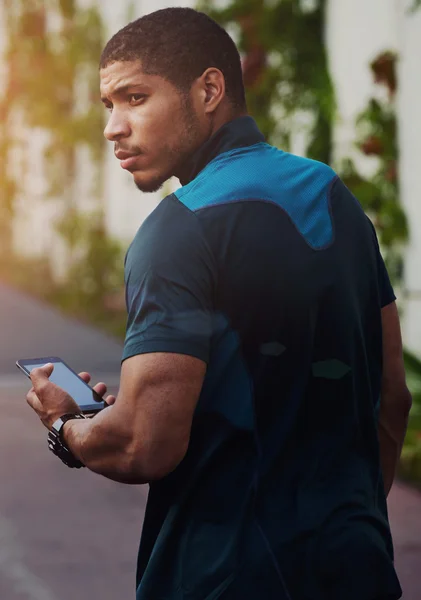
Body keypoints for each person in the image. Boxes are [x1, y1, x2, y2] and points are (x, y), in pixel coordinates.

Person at [26, 7, 412, 600]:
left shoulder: (178, 232)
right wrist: (348, 522)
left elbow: (143, 442)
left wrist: (67, 423)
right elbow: (393, 395)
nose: (113, 128)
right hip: (354, 568)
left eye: (134, 97)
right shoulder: (334, 199)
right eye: (110, 106)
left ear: (209, 89)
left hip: (222, 577)